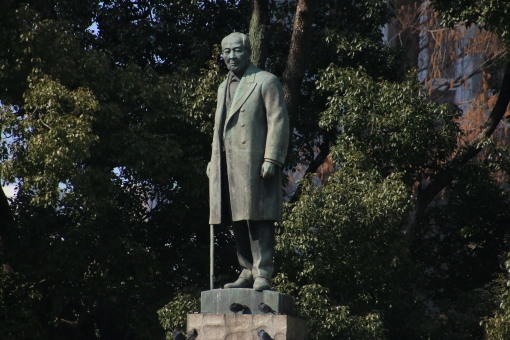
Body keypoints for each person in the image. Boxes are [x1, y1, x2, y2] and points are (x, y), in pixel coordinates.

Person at [207, 32, 289, 290]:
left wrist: (272, 158)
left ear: (248, 51)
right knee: (237, 218)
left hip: (255, 161)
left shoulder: (265, 81)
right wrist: (213, 160)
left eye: (237, 51)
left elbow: (278, 120)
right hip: (229, 164)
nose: (231, 56)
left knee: (258, 217)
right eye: (227, 52)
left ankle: (262, 271)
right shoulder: (222, 87)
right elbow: (218, 127)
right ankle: (246, 270)